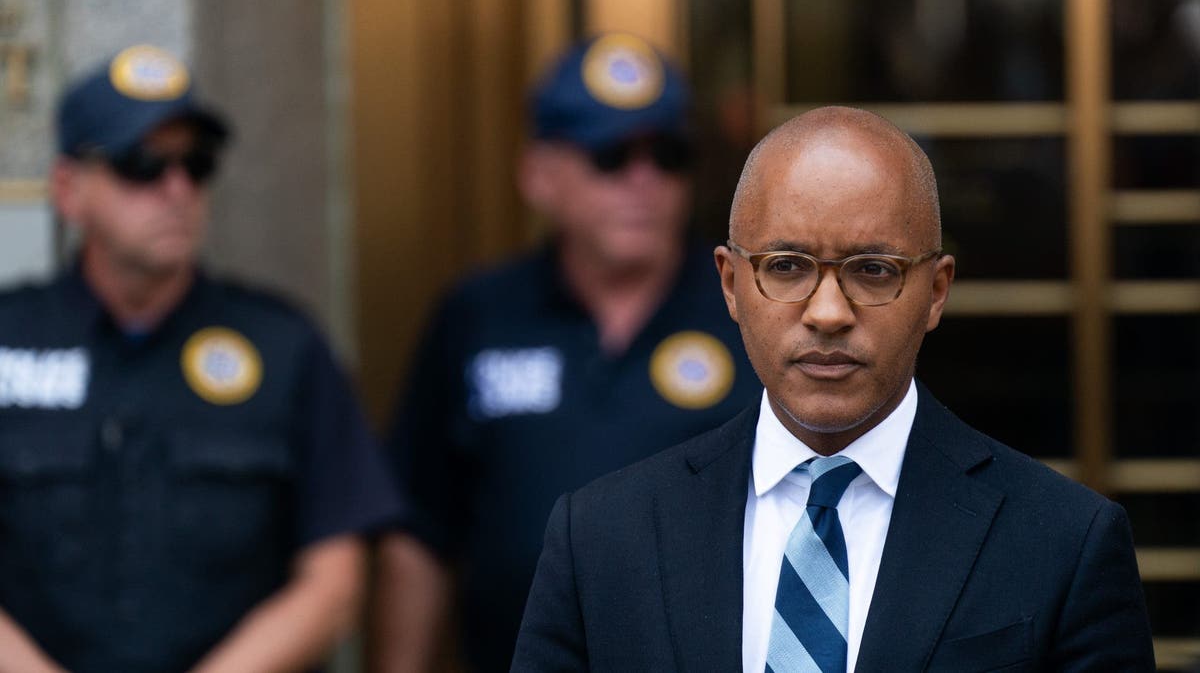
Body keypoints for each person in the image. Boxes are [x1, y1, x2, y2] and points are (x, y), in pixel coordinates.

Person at [512, 106, 1156, 671]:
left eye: (873, 271)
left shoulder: (1065, 542)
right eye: (786, 267)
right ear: (731, 284)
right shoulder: (600, 537)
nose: (827, 312)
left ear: (936, 291)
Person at [0, 45, 401, 673]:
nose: (177, 189)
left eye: (197, 163)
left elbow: (334, 583)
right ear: (68, 190)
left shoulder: (283, 346)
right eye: (142, 166)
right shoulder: (8, 339)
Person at [372, 34, 761, 672]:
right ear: (539, 176)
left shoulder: (747, 311)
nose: (643, 181)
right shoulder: (478, 314)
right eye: (610, 156)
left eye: (667, 155)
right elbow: (421, 530)